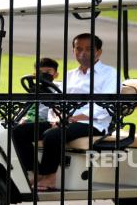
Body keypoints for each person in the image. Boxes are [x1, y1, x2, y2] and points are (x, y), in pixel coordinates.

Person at [35, 33, 118, 190]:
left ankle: (50, 177)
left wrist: (74, 118)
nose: (82, 53)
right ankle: (36, 172)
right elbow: (57, 101)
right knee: (19, 132)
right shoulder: (70, 75)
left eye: (88, 49)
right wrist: (55, 118)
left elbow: (105, 107)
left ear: (99, 52)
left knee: (52, 135)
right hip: (65, 120)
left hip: (92, 123)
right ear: (73, 51)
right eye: (78, 49)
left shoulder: (110, 74)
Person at [13, 57, 60, 181]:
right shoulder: (33, 89)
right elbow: (27, 107)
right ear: (35, 74)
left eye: (48, 72)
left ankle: (35, 171)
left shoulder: (58, 89)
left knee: (19, 132)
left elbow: (57, 111)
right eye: (40, 72)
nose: (44, 75)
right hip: (30, 121)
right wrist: (23, 118)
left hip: (48, 122)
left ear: (55, 74)